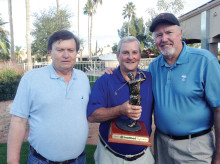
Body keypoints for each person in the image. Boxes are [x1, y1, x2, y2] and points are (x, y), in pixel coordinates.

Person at [7, 30, 90, 164]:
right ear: (50, 52)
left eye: (71, 50)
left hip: (79, 160)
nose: (66, 55)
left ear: (76, 53)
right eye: (60, 50)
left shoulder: (83, 78)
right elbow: (18, 122)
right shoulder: (31, 79)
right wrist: (12, 161)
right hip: (41, 161)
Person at [148, 13, 220, 164]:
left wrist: (219, 156)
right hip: (162, 145)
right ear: (154, 39)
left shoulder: (205, 61)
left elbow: (219, 109)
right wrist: (114, 72)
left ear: (180, 34)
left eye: (169, 32)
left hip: (195, 148)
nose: (164, 39)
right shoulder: (153, 67)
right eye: (158, 35)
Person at [87, 36, 155, 164]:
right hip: (109, 156)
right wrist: (120, 110)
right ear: (118, 55)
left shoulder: (150, 79)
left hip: (143, 157)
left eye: (134, 52)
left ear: (140, 55)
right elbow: (92, 115)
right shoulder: (105, 80)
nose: (130, 57)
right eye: (125, 52)